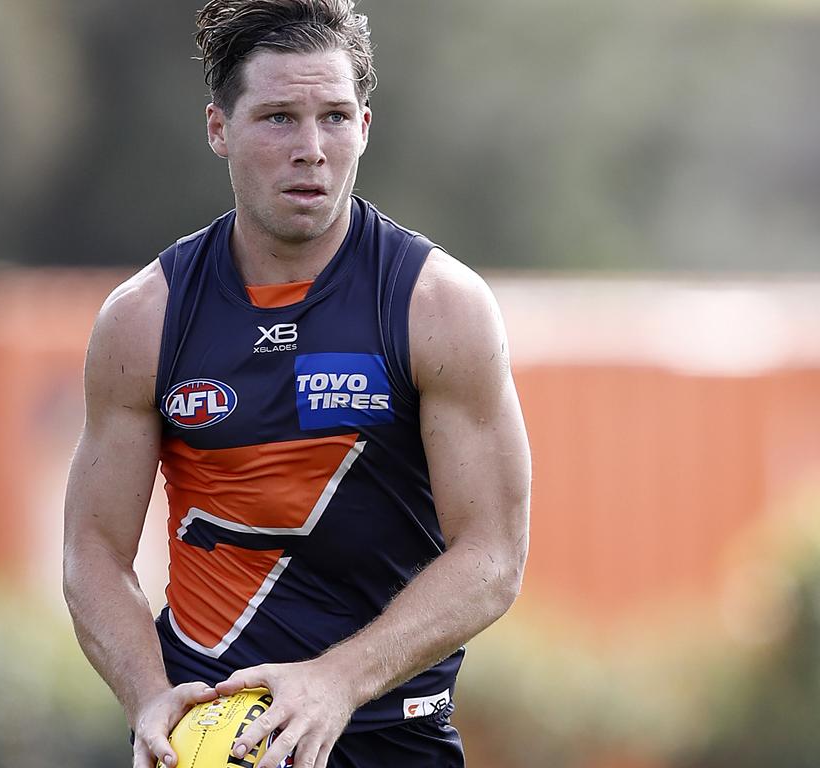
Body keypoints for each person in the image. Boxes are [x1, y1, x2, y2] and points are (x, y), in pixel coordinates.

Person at [63, 1, 531, 766]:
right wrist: (147, 694)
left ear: (366, 127)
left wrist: (336, 682)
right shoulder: (145, 318)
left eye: (335, 117)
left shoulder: (437, 307)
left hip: (390, 737)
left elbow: (492, 557)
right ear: (218, 129)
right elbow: (93, 549)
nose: (311, 149)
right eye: (278, 118)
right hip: (211, 742)